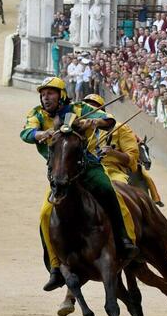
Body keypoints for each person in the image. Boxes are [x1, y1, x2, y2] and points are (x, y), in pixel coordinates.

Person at [20, 77, 138, 291]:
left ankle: (123, 239)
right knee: (46, 213)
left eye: (51, 93)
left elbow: (109, 119)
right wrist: (40, 133)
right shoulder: (37, 114)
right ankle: (56, 267)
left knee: (108, 190)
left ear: (62, 95)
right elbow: (26, 133)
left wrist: (95, 122)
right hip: (59, 173)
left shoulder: (79, 107)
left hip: (87, 167)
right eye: (43, 94)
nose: (46, 97)